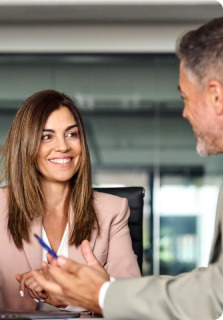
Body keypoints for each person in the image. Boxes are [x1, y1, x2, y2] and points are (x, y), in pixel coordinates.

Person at [33, 17, 223, 320]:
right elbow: (214, 282)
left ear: (216, 96)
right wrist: (104, 288)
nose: (185, 113)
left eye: (186, 99)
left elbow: (216, 294)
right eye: (46, 136)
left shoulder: (112, 210)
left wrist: (101, 293)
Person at [0, 90, 141, 310]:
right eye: (47, 136)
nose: (63, 146)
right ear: (26, 145)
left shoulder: (113, 211)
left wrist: (69, 294)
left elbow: (131, 302)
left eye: (71, 134)